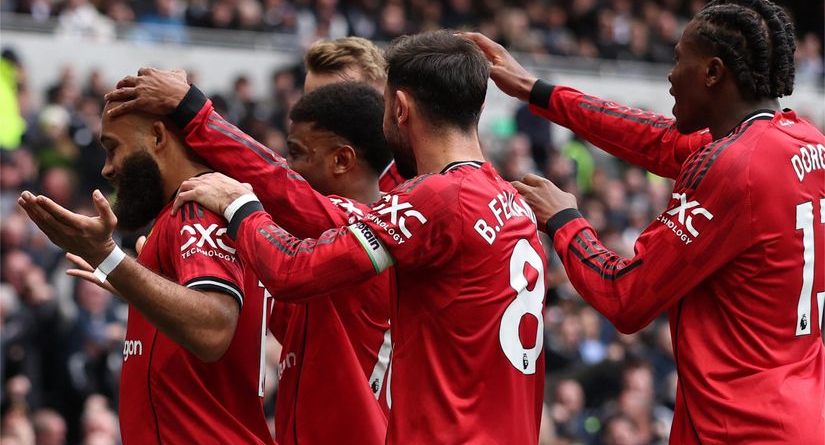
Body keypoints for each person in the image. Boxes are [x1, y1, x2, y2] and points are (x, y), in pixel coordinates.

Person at [133, 30, 548, 444]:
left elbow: (291, 268)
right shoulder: (512, 203)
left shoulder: (432, 201)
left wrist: (239, 204)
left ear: (398, 108)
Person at [466, 0, 825, 443]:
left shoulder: (734, 167)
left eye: (679, 60)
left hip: (741, 427)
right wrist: (537, 91)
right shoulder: (803, 140)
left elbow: (626, 296)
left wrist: (564, 220)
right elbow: (657, 139)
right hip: (799, 411)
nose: (671, 77)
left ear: (713, 72)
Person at [108, 77, 394, 444]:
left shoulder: (367, 227)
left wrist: (193, 111)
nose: (289, 166)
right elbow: (260, 305)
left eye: (296, 154)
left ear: (342, 159)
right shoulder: (322, 260)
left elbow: (279, 185)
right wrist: (149, 285)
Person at [18, 101, 274, 444]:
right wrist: (133, 281)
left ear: (157, 136)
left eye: (113, 148)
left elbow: (213, 328)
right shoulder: (180, 216)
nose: (107, 169)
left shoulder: (197, 209)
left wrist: (108, 257)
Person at [303, 36, 405, 191]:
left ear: (384, 101)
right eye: (311, 103)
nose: (318, 118)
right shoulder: (301, 178)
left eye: (338, 105)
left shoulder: (414, 186)